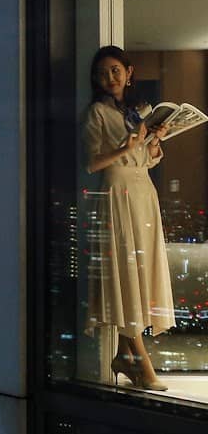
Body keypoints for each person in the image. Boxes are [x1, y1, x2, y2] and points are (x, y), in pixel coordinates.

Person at [84, 45, 173, 390]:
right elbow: (92, 162)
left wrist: (154, 142)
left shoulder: (137, 112)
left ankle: (124, 355)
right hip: (117, 194)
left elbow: (146, 160)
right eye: (103, 73)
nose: (110, 78)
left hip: (142, 192)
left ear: (129, 72)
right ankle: (143, 365)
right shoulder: (97, 113)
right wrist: (125, 146)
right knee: (125, 271)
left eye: (115, 71)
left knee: (140, 272)